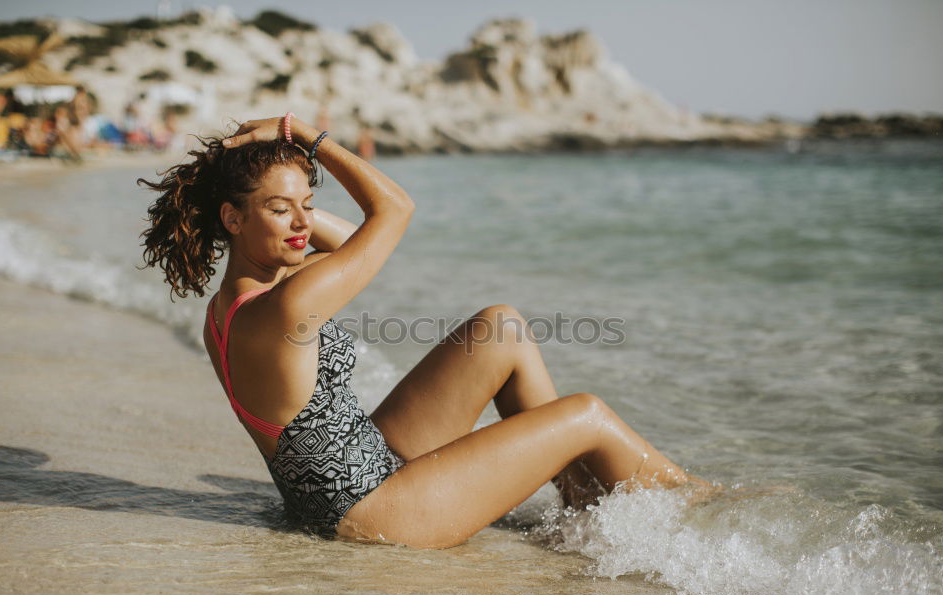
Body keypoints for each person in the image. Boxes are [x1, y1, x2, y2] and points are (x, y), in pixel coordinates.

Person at [139, 113, 719, 549]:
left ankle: (579, 500)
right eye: (278, 209)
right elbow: (394, 212)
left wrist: (282, 189)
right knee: (585, 413)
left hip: (365, 466)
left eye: (307, 205)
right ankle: (702, 506)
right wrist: (308, 137)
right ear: (233, 218)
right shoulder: (285, 305)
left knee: (501, 327)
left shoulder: (238, 301)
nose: (301, 223)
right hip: (374, 513)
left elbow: (346, 245)